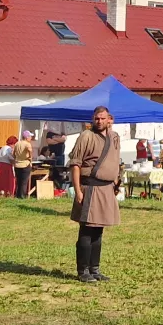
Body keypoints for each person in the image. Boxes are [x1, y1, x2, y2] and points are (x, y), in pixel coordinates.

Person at [70, 107, 121, 282]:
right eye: (96, 118)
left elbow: (115, 159)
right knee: (87, 230)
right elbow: (75, 164)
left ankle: (95, 268)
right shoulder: (86, 136)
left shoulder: (114, 137)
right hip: (89, 188)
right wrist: (77, 190)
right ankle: (83, 271)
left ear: (109, 119)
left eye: (103, 118)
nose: (99, 121)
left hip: (106, 188)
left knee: (99, 230)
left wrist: (115, 182)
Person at [14, 131, 35, 200]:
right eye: (30, 136)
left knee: (18, 181)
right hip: (25, 164)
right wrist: (30, 157)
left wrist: (16, 158)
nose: (31, 138)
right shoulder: (27, 144)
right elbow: (30, 150)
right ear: (27, 137)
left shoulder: (17, 143)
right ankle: (22, 197)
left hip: (17, 164)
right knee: (24, 182)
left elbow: (13, 153)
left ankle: (17, 195)